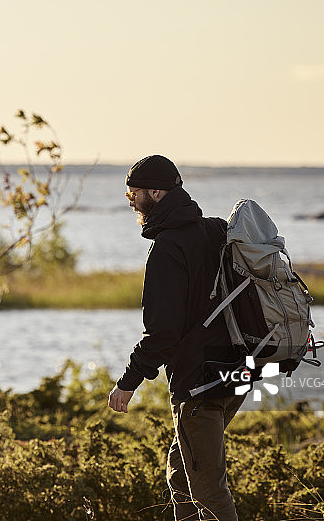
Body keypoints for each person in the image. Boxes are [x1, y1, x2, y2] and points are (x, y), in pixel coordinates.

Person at [107, 155, 246, 521]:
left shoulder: (168, 248)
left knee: (207, 489)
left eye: (133, 194)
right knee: (181, 470)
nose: (132, 201)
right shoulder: (215, 229)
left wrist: (128, 382)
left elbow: (162, 334)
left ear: (156, 192)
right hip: (239, 373)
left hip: (199, 382)